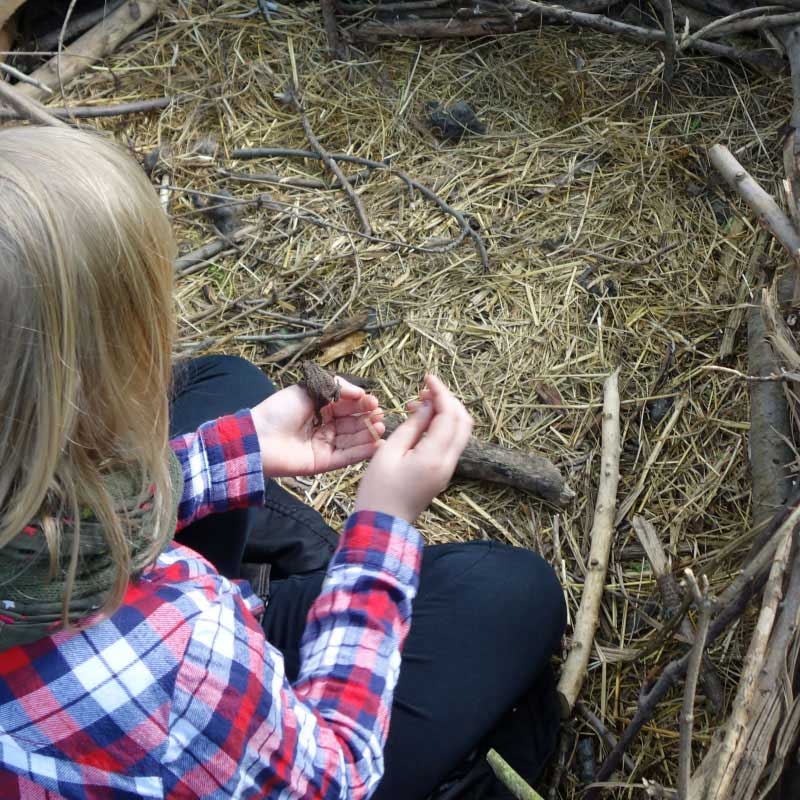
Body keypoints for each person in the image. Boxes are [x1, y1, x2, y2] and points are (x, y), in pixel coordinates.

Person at [0, 126, 566, 800]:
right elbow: (333, 777)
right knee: (513, 594)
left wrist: (238, 448)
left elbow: (65, 512)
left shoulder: (32, 495)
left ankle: (268, 583)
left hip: (121, 694)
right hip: (199, 711)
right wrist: (381, 528)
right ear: (93, 385)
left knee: (228, 388)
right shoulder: (179, 648)